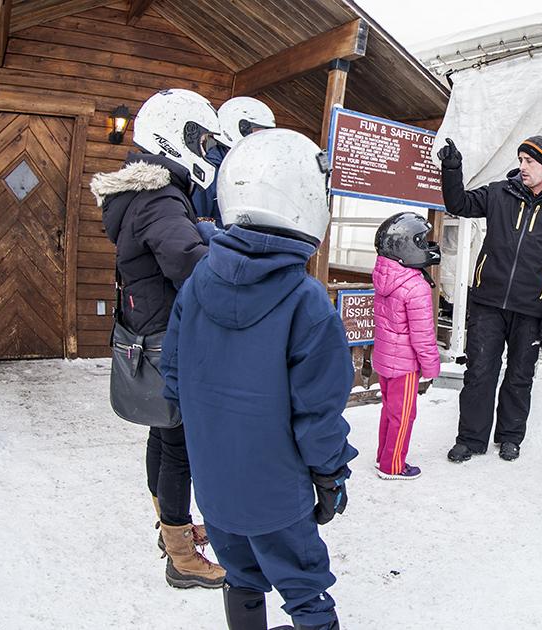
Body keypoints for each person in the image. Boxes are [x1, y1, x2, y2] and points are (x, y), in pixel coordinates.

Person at [161, 129, 357, 630]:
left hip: (215, 485)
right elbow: (319, 414)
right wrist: (331, 476)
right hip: (277, 494)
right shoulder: (306, 301)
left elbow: (175, 380)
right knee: (305, 588)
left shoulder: (198, 280)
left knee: (241, 577)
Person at [91, 88, 225, 589]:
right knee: (180, 445)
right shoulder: (160, 197)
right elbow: (189, 264)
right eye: (201, 138)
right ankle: (181, 555)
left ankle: (168, 522)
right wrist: (235, 261)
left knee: (162, 432)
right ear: (175, 137)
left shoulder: (139, 195)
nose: (207, 150)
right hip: (171, 334)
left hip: (149, 329)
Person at [437, 135, 542, 462]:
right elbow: (458, 204)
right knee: (479, 371)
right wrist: (451, 169)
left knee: (520, 375)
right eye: (520, 160)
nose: (522, 167)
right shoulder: (498, 193)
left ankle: (509, 436)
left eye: (529, 161)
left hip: (532, 310)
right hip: (488, 302)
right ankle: (470, 438)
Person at [372, 211, 442, 480]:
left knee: (389, 411)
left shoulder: (385, 274)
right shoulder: (415, 286)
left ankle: (383, 457)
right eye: (421, 241)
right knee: (403, 416)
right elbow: (422, 335)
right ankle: (393, 466)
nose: (426, 246)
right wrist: (431, 367)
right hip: (404, 365)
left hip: (385, 359)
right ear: (406, 245)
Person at [191, 96, 276, 226]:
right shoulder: (209, 171)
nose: (261, 140)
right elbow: (200, 223)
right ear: (240, 128)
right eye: (257, 132)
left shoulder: (258, 172)